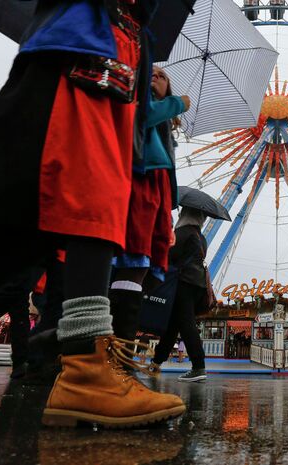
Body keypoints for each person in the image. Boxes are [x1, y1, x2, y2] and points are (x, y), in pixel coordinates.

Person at [0, 1, 186, 427]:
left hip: (117, 56)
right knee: (91, 201)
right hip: (91, 50)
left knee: (36, 234)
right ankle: (85, 370)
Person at [109, 66, 190, 342]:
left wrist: (168, 217)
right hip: (139, 179)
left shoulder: (163, 127)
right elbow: (144, 116)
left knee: (153, 268)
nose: (156, 76)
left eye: (163, 76)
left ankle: (118, 329)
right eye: (152, 73)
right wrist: (178, 103)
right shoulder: (137, 104)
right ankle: (119, 346)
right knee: (134, 259)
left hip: (159, 189)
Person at [149, 207, 209, 382]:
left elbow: (169, 255)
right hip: (198, 283)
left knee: (185, 323)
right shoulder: (201, 237)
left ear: (185, 215)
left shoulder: (182, 232)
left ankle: (198, 366)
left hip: (183, 282)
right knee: (172, 326)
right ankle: (156, 363)